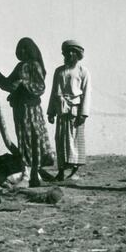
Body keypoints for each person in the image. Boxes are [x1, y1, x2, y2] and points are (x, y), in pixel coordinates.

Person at [0, 37, 56, 187]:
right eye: (21, 49)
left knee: (35, 139)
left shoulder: (35, 66)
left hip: (32, 109)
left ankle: (33, 174)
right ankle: (28, 172)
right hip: (20, 109)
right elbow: (7, 85)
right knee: (24, 139)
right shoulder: (20, 66)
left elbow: (40, 87)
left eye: (26, 48)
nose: (23, 51)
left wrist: (22, 85)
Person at [47, 40, 91, 181]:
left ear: (78, 54)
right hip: (61, 111)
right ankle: (61, 171)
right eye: (67, 52)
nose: (69, 54)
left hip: (75, 112)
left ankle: (74, 171)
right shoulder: (59, 71)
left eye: (72, 51)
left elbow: (87, 92)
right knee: (60, 141)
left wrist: (83, 113)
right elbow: (54, 91)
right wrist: (51, 111)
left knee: (74, 141)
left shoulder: (83, 71)